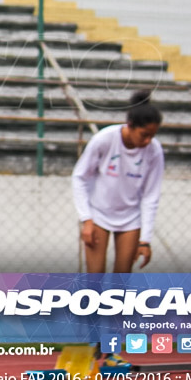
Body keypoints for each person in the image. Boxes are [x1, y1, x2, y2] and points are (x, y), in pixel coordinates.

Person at [72, 90, 165, 275]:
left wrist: (145, 240)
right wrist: (86, 220)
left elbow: (150, 196)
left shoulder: (154, 151)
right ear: (130, 126)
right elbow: (79, 177)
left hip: (130, 219)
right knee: (95, 276)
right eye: (144, 134)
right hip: (98, 215)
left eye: (152, 136)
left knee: (121, 280)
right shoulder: (104, 140)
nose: (148, 141)